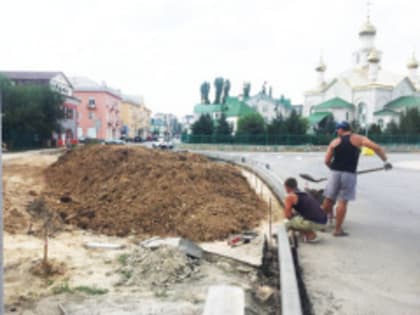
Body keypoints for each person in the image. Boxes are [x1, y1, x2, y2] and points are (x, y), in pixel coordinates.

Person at [323, 121, 392, 237]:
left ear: (341, 130)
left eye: (337, 130)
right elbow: (377, 148)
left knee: (329, 199)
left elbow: (326, 161)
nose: (337, 132)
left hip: (335, 173)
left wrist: (333, 169)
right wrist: (385, 161)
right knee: (342, 201)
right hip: (349, 174)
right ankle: (337, 230)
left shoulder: (335, 142)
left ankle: (319, 223)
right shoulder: (359, 139)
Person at [284, 177, 327, 242]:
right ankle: (306, 232)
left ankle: (311, 236)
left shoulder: (290, 197)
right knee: (297, 217)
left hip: (316, 222)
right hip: (323, 221)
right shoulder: (303, 193)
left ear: (287, 187)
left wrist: (292, 218)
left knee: (288, 224)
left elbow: (287, 215)